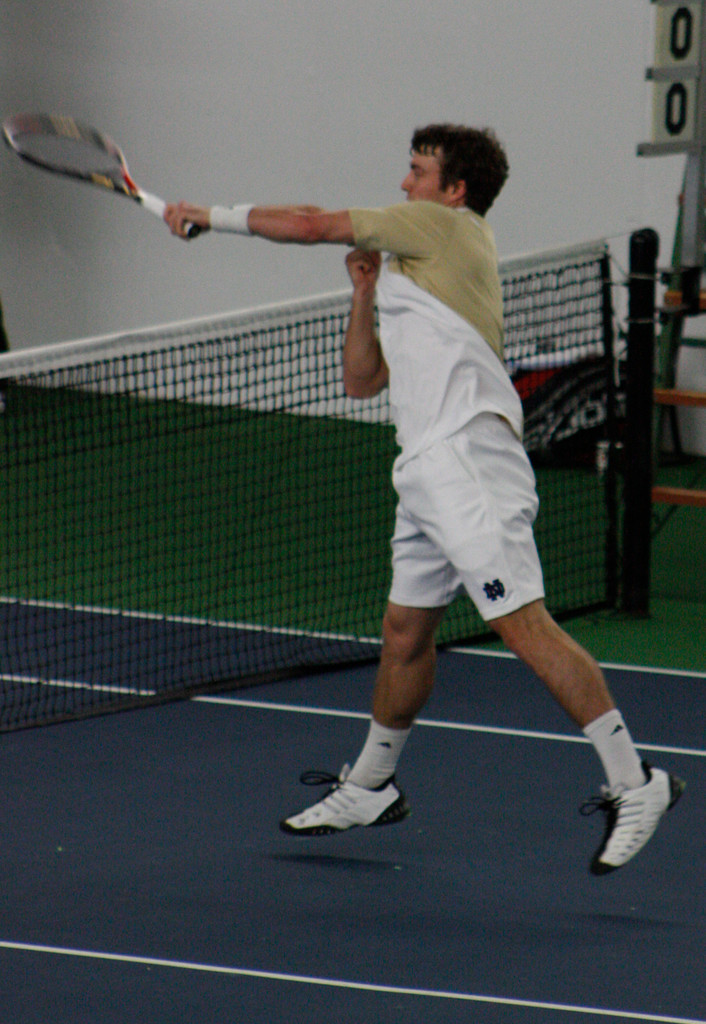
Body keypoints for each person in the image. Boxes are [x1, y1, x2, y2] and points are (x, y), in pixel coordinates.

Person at [164, 123, 684, 874]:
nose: (403, 183)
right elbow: (362, 381)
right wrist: (365, 293)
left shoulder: (445, 228)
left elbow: (312, 223)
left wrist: (206, 214)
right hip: (427, 466)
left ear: (454, 188)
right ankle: (372, 785)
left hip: (469, 460)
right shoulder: (414, 266)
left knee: (522, 623)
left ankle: (636, 781)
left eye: (416, 171)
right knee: (406, 631)